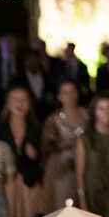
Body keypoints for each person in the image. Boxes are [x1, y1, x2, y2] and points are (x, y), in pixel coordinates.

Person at [0, 86, 44, 217]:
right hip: (7, 183)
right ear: (8, 103)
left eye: (24, 100)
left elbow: (42, 157)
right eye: (16, 99)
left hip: (29, 183)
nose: (20, 103)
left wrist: (35, 155)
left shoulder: (36, 127)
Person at [41, 79, 89, 209]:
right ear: (59, 96)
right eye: (65, 92)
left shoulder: (86, 114)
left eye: (72, 92)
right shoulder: (53, 119)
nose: (69, 96)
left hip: (86, 163)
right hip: (62, 166)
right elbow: (46, 144)